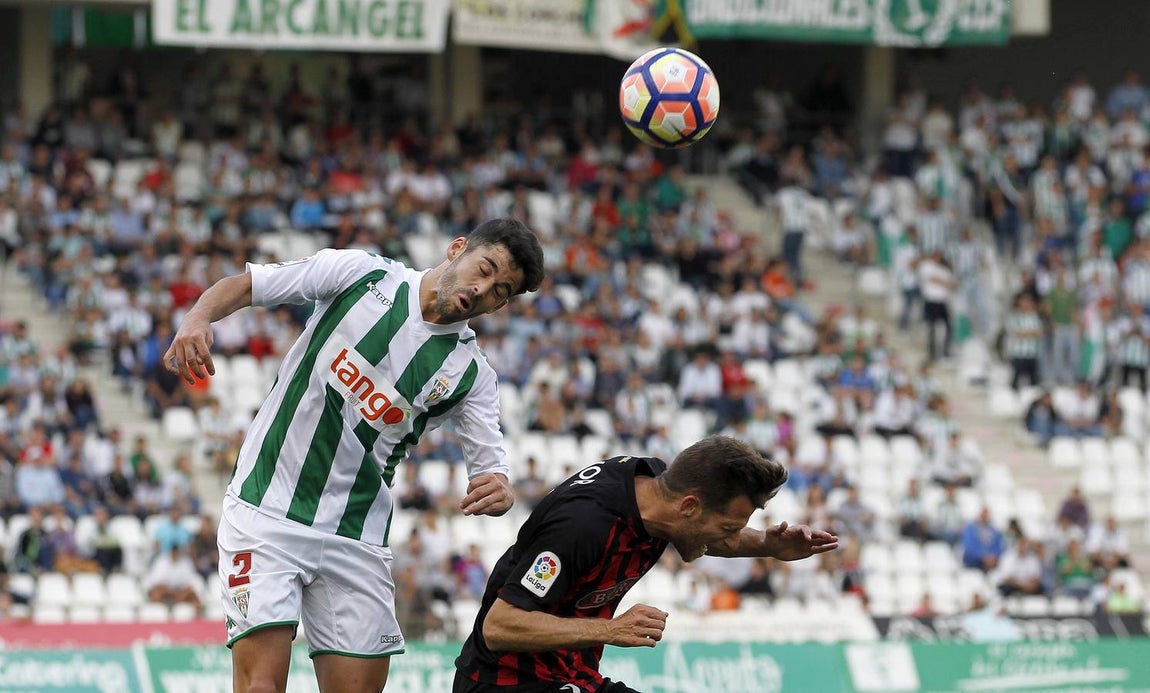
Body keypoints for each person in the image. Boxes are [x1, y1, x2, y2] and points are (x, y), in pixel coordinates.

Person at [163, 218, 544, 693]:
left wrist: (499, 488)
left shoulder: (472, 375)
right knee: (261, 686)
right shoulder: (362, 274)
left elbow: (492, 469)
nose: (482, 290)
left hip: (355, 537)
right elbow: (247, 285)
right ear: (457, 249)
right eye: (484, 269)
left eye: (500, 291)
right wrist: (197, 318)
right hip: (266, 510)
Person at [453, 436, 838, 692]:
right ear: (689, 506)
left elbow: (703, 535)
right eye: (728, 527)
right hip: (504, 681)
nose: (732, 536)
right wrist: (610, 629)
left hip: (570, 675)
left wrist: (768, 546)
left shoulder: (658, 492)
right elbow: (499, 627)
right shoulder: (584, 527)